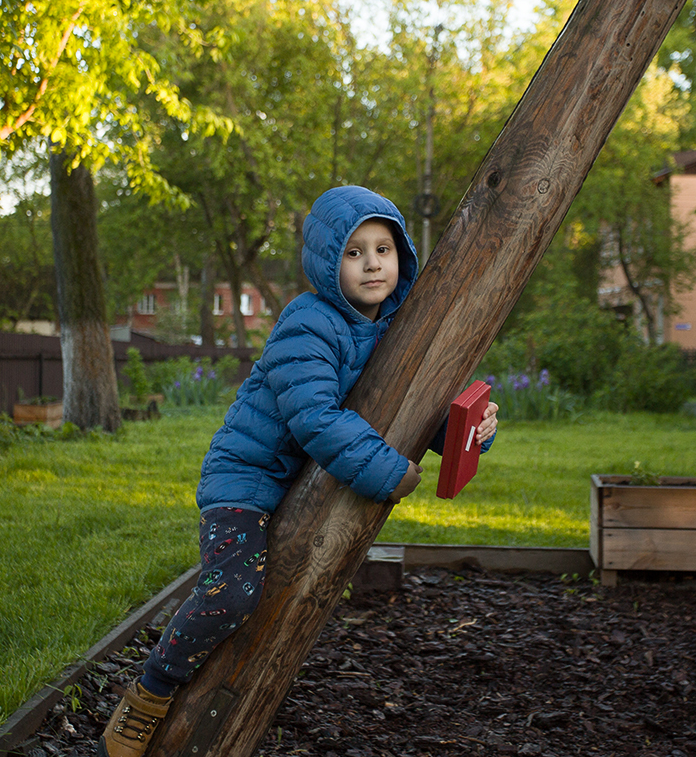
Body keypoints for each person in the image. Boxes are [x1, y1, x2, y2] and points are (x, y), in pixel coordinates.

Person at [98, 185, 499, 757]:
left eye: (382, 249)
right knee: (233, 593)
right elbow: (313, 416)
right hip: (245, 478)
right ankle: (150, 691)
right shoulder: (308, 322)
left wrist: (469, 435)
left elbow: (403, 410)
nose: (371, 264)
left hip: (297, 484)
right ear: (326, 261)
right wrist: (388, 472)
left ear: (402, 255)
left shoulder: (393, 329)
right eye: (353, 252)